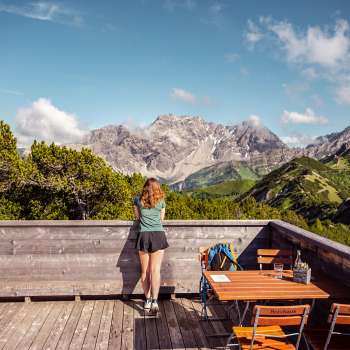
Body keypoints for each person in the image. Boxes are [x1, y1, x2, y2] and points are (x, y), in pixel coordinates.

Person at [133, 178, 169, 313]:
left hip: (143, 235)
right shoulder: (161, 201)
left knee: (144, 271)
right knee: (155, 270)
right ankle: (155, 302)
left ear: (145, 188)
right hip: (158, 235)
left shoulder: (137, 200)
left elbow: (137, 217)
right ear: (157, 188)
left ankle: (147, 300)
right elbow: (161, 219)